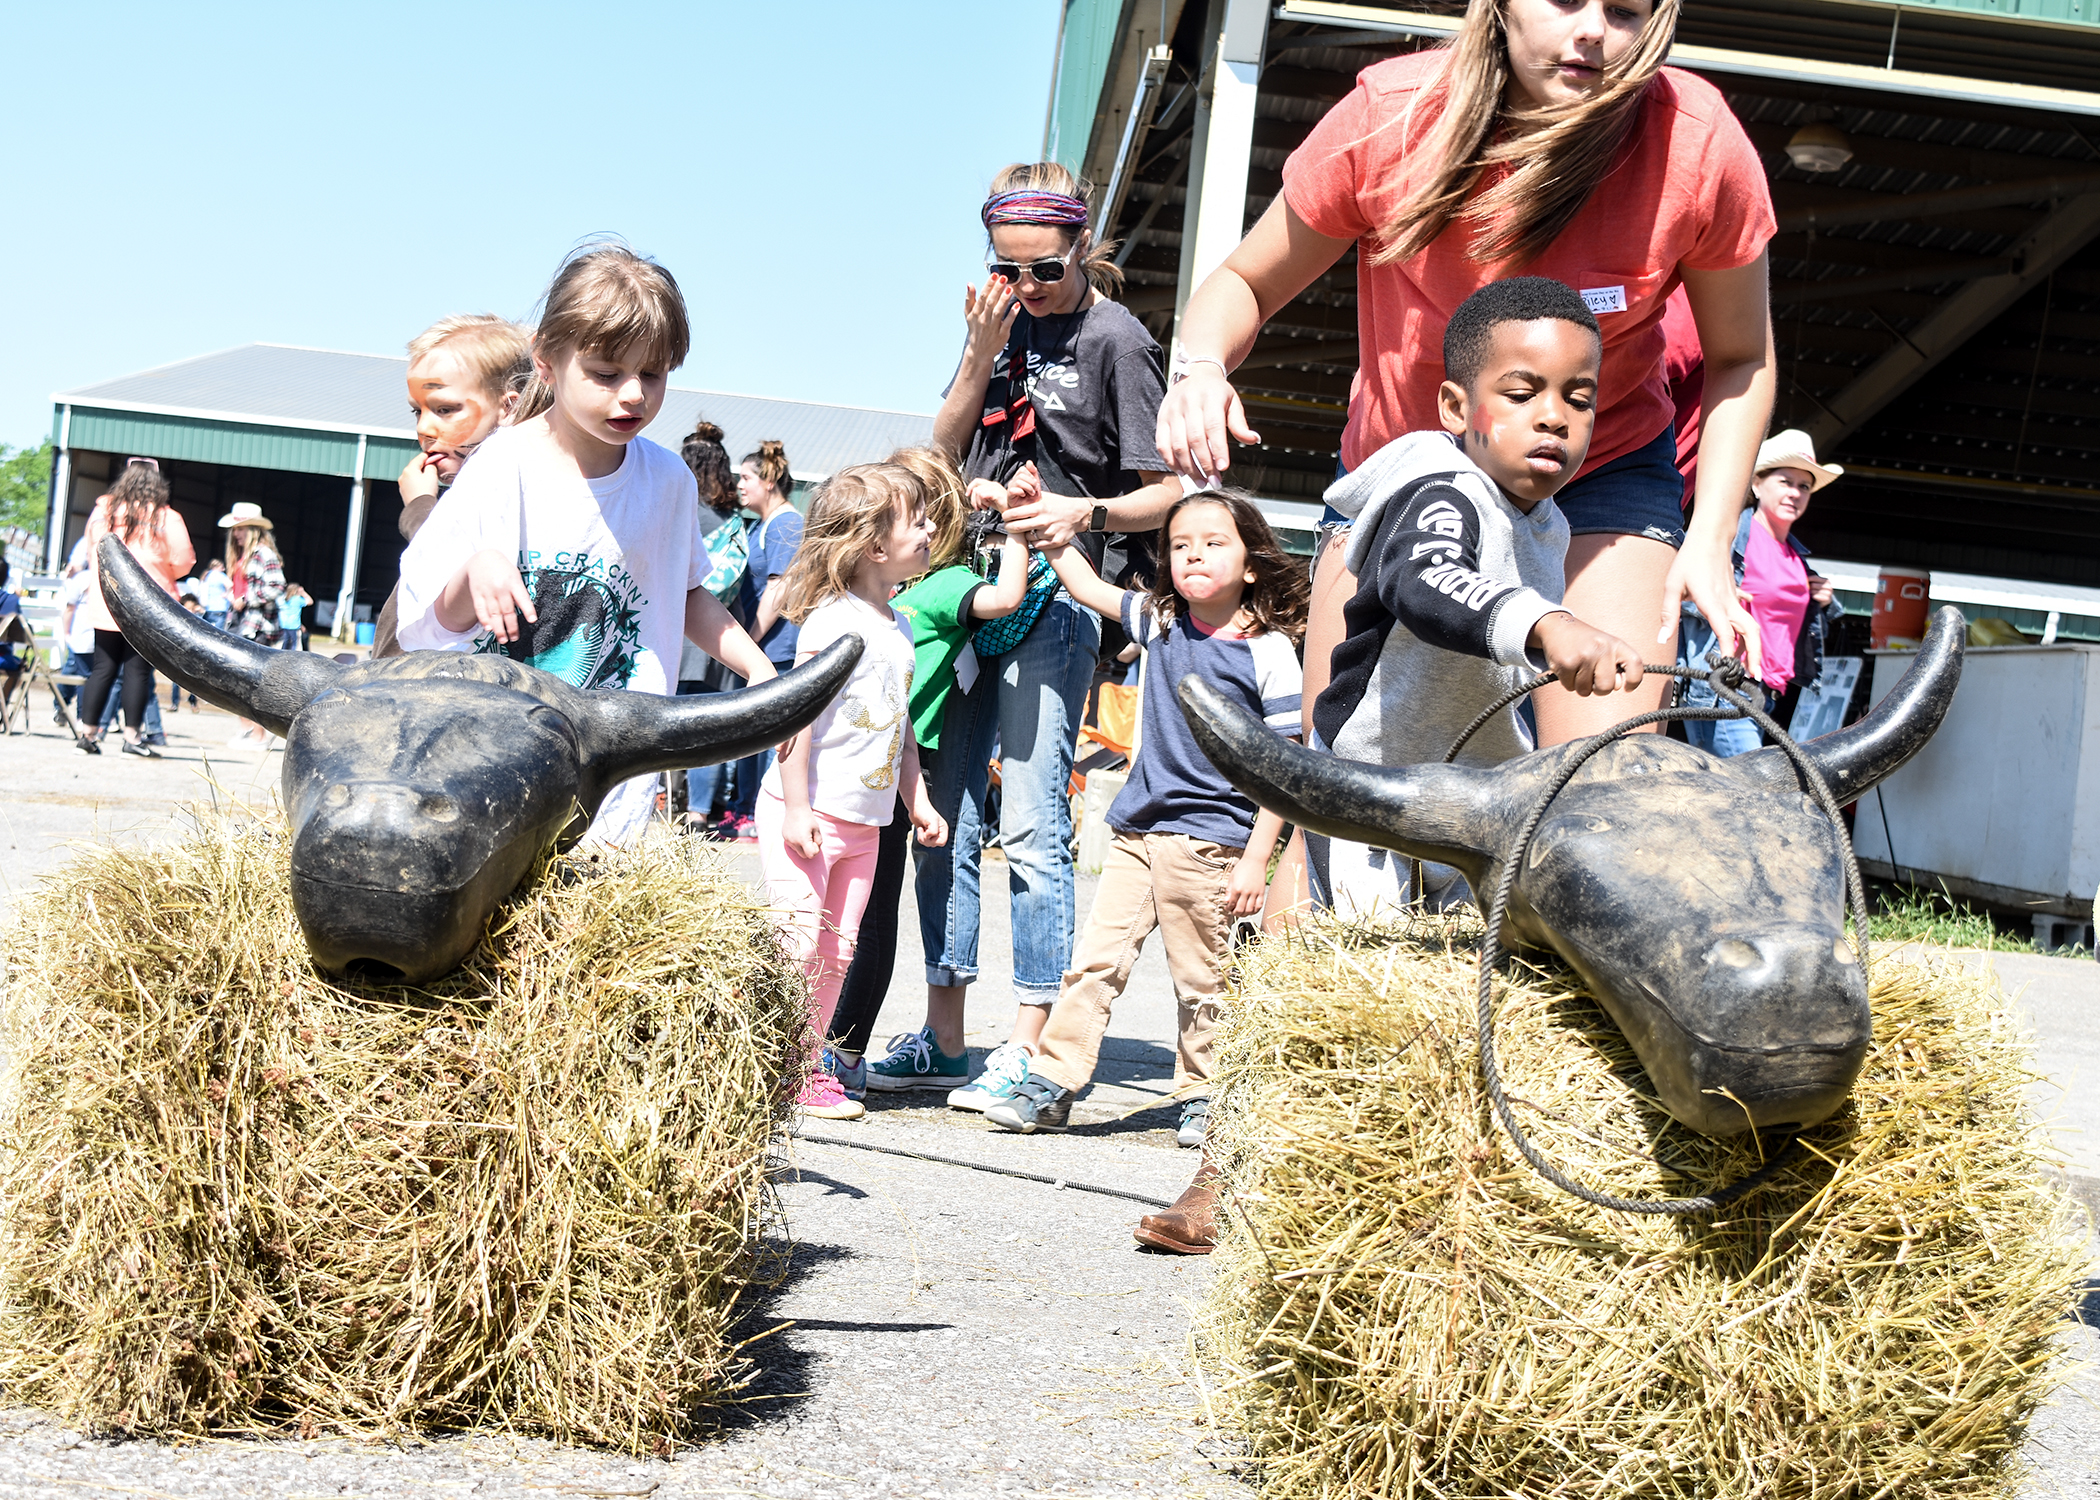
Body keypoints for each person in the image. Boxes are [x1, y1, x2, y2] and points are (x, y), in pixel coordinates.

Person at [1138, 279, 1649, 1256]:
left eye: (1578, 399)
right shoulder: (1430, 484)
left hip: (1471, 813)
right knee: (1339, 1001)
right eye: (1524, 390)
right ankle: (1239, 1173)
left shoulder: (1542, 523)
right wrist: (1544, 621)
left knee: (1468, 1004)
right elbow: (1432, 583)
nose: (1554, 417)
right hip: (1373, 806)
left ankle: (1445, 1218)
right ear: (1458, 408)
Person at [1155, 0, 1777, 759]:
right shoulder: (1388, 118)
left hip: (1601, 469)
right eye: (1567, 0)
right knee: (1340, 779)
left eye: (1623, 11)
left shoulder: (1696, 140)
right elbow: (1245, 283)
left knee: (1605, 786)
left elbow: (1742, 356)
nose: (1591, 30)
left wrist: (1710, 539)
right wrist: (1201, 370)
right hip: (1407, 469)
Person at [922, 161, 1180, 1114]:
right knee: (942, 814)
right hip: (972, 586)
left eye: (1043, 271)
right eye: (1008, 270)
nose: (1026, 288)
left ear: (1080, 247)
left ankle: (1029, 1044)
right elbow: (939, 455)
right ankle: (946, 1035)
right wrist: (978, 352)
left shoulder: (1116, 339)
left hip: (1064, 594)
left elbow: (1165, 492)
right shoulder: (998, 326)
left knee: (1033, 821)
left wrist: (1086, 513)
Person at [395, 240, 775, 848]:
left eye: (651, 374)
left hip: (611, 776)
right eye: (606, 373)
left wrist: (757, 667)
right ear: (547, 361)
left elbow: (684, 596)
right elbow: (423, 626)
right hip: (490, 769)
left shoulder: (668, 481)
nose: (632, 394)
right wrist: (478, 569)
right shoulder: (501, 465)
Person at [982, 488, 1308, 1160]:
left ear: (1251, 563)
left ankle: (1204, 1091)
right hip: (1134, 834)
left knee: (1204, 978)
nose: (1194, 555)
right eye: (1181, 544)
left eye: (1214, 543)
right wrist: (1041, 514)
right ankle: (1051, 1082)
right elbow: (1081, 580)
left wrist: (1255, 858)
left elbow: (1286, 763)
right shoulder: (1159, 621)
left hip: (1212, 841)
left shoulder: (1270, 652)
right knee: (1092, 965)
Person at [834, 450, 1035, 1098]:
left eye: (916, 509)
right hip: (860, 769)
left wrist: (1012, 528)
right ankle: (822, 1045)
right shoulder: (888, 596)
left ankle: (846, 1055)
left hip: (903, 769)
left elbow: (1005, 598)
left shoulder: (945, 585)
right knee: (840, 913)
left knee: (875, 916)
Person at [756, 462, 950, 1121]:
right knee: (800, 943)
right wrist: (798, 806)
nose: (929, 529)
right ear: (872, 543)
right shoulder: (829, 624)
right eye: (916, 520)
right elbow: (795, 721)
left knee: (838, 950)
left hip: (866, 826)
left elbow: (902, 732)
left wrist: (917, 801)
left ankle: (805, 1068)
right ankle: (773, 1059)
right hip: (805, 816)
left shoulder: (898, 628)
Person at [371, 315, 533, 659]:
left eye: (446, 409)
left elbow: (448, 555)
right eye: (418, 412)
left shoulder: (508, 485)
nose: (426, 428)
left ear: (509, 407)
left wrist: (419, 506)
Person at [1678, 429, 1846, 755]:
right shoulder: (1728, 540)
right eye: (1785, 482)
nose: (1795, 493)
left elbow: (1790, 630)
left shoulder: (1797, 560)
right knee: (1748, 794)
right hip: (1727, 688)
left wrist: (1823, 605)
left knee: (1728, 797)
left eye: (1804, 486)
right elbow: (1683, 591)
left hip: (1771, 696)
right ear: (1756, 483)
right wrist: (1721, 601)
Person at [79, 458, 195, 758]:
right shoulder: (166, 517)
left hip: (107, 598)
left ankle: (87, 735)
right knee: (138, 672)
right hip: (148, 605)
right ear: (158, 484)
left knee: (102, 669)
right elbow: (184, 559)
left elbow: (92, 544)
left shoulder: (103, 509)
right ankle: (132, 738)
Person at [717, 439, 802, 841]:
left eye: (747, 477)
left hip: (777, 648)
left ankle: (762, 813)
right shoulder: (759, 525)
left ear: (769, 480)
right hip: (761, 648)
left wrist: (747, 640)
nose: (740, 485)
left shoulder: (787, 524)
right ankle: (744, 808)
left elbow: (779, 588)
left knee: (772, 736)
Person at [675, 419, 750, 834]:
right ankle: (701, 811)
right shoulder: (733, 520)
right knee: (710, 730)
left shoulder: (683, 513)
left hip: (684, 634)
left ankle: (680, 804)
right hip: (722, 635)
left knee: (673, 723)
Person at [222, 501, 285, 746]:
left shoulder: (263, 554)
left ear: (254, 530)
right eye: (235, 529)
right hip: (242, 622)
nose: (236, 533)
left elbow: (276, 586)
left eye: (241, 528)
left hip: (257, 625)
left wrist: (246, 598)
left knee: (250, 682)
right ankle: (248, 729)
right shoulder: (241, 556)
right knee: (237, 680)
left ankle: (259, 734)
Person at [0, 560, 24, 721]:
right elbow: (24, 631)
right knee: (19, 666)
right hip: (2, 656)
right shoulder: (10, 600)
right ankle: (2, 706)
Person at [199, 557, 233, 630]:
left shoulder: (206, 576)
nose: (223, 569)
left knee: (206, 631)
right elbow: (230, 584)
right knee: (218, 633)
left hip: (208, 608)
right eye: (222, 567)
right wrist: (226, 593)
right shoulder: (220, 575)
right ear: (216, 567)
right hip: (220, 607)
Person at [279, 583, 312, 651]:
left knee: (286, 641)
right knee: (294, 643)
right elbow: (310, 601)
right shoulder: (297, 599)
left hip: (284, 623)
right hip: (293, 624)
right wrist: (303, 592)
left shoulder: (283, 599)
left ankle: (282, 653)